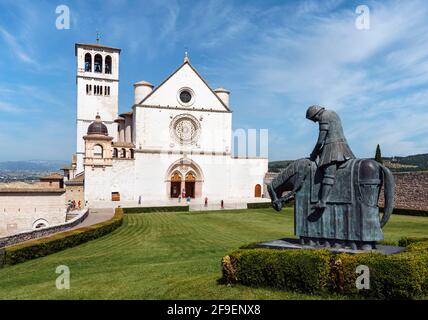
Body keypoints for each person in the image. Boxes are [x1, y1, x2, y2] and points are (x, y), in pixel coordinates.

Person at [306, 105, 355, 209]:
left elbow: (320, 141)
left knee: (329, 173)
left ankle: (323, 201)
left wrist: (313, 154)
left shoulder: (324, 116)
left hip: (333, 148)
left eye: (314, 119)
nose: (315, 121)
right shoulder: (333, 113)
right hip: (343, 146)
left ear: (316, 114)